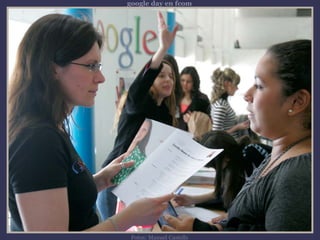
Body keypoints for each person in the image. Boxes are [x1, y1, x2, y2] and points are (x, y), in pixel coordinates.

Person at [8, 12, 176, 232]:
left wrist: (101, 180)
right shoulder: (37, 141)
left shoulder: (50, 129)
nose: (100, 78)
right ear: (52, 68)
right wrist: (127, 218)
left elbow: (62, 195)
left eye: (99, 66)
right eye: (90, 66)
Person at [162, 39, 312, 231]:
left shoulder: (298, 177)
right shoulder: (281, 154)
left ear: (297, 101)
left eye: (259, 86)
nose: (247, 94)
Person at [96, 13, 179, 221]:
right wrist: (162, 50)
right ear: (150, 81)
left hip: (139, 185)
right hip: (114, 183)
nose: (168, 79)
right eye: (161, 75)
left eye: (170, 76)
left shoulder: (164, 113)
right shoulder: (138, 104)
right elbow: (141, 84)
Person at [173, 130, 245, 212]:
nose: (215, 170)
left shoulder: (242, 174)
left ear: (226, 158)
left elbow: (232, 201)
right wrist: (192, 200)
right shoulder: (231, 166)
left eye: (214, 166)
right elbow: (221, 193)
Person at [210, 67, 249, 139]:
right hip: (228, 146)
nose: (237, 88)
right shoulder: (221, 106)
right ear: (227, 84)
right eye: (236, 85)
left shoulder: (222, 103)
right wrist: (237, 127)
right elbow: (216, 135)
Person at [177, 66, 211, 131]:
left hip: (193, 136)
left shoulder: (202, 100)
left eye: (188, 82)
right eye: (182, 80)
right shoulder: (176, 97)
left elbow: (207, 122)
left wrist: (193, 120)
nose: (185, 84)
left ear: (194, 83)